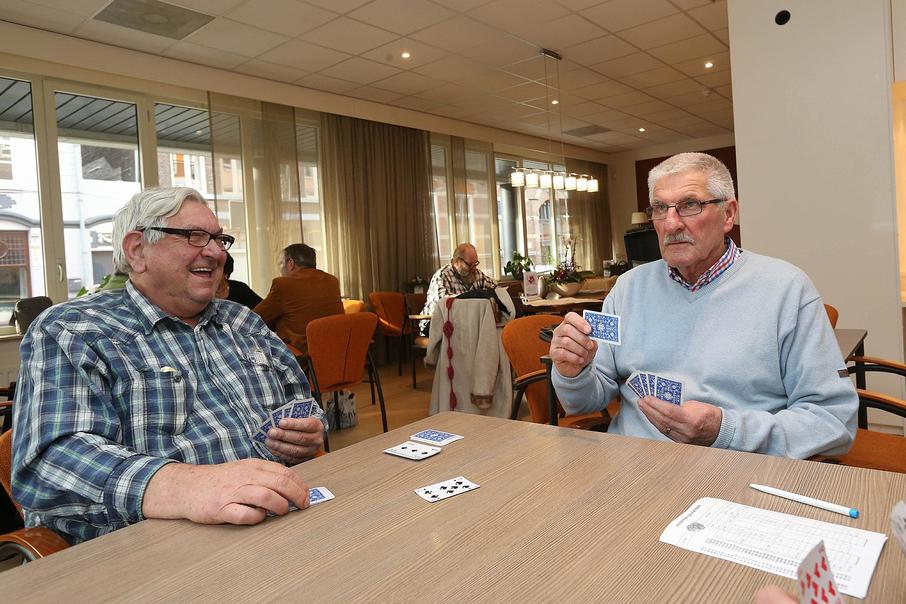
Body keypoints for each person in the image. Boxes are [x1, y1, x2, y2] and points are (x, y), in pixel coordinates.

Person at [12, 187, 326, 544]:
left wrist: (307, 431)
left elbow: (304, 406)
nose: (216, 251)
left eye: (219, 239)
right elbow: (50, 461)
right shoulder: (73, 329)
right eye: (195, 236)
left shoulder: (244, 322)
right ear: (137, 250)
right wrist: (186, 485)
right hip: (148, 549)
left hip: (279, 524)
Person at [549, 152, 857, 458]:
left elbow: (832, 421)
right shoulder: (628, 288)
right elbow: (585, 400)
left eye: (689, 205)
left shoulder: (787, 289)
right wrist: (572, 373)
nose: (671, 224)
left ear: (728, 214)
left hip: (736, 474)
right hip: (632, 470)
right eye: (660, 208)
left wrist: (725, 430)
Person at [253, 243, 343, 356]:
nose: (280, 269)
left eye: (281, 263)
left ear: (290, 263)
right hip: (336, 353)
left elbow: (255, 318)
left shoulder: (284, 284)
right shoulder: (331, 281)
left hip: (302, 357)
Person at [420, 242, 498, 334]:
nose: (474, 268)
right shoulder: (442, 276)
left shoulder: (476, 274)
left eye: (476, 263)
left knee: (492, 331)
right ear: (457, 261)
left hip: (464, 324)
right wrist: (472, 298)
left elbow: (496, 288)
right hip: (436, 324)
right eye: (469, 264)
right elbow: (443, 304)